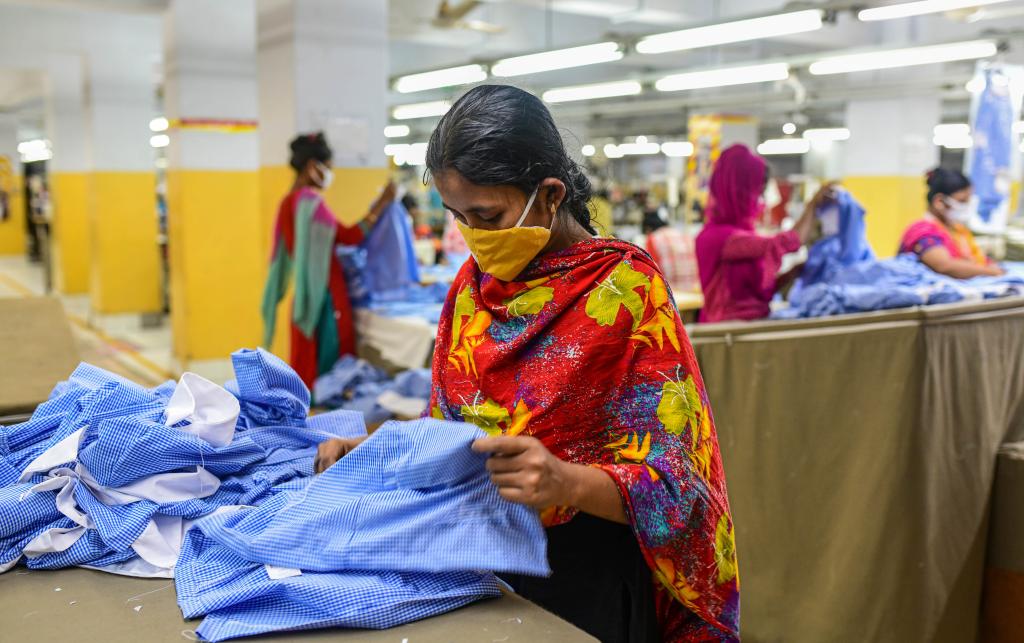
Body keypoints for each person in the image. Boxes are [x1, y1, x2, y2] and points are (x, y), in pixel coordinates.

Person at [315, 85, 739, 642]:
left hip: (585, 580)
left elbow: (680, 487)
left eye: (487, 215)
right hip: (477, 566)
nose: (474, 236)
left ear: (549, 194)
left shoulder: (625, 293)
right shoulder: (471, 290)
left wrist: (565, 481)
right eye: (458, 216)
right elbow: (450, 435)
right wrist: (375, 451)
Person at [261, 132, 395, 389]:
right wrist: (381, 204)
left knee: (305, 357)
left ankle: (307, 410)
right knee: (329, 360)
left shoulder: (287, 202)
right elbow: (350, 236)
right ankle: (327, 413)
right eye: (328, 168)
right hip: (325, 292)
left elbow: (286, 250)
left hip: (304, 294)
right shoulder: (311, 202)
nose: (330, 174)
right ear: (313, 167)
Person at [695, 144, 828, 323]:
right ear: (739, 191)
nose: (760, 200)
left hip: (749, 328)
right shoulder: (717, 238)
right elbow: (789, 242)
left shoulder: (741, 234)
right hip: (726, 336)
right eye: (756, 192)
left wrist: (792, 273)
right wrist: (813, 204)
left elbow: (756, 294)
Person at [898, 168, 1004, 278]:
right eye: (962, 201)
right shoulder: (923, 231)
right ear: (939, 202)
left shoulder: (957, 230)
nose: (967, 206)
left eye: (969, 201)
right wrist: (992, 272)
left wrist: (992, 266)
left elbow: (977, 259)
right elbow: (944, 266)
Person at [641, 209, 700, 294]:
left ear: (648, 229)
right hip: (695, 292)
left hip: (671, 296)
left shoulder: (653, 239)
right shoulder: (685, 236)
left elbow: (651, 274)